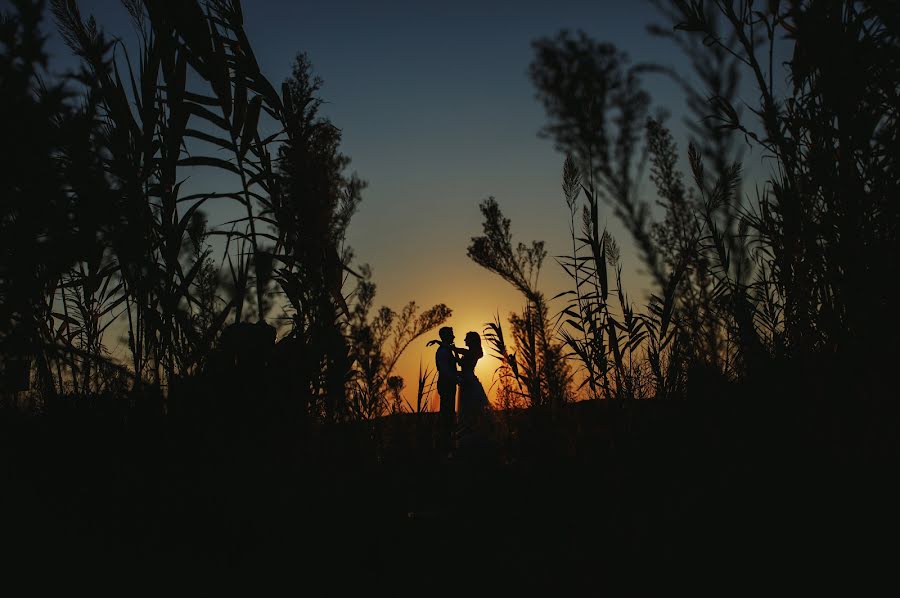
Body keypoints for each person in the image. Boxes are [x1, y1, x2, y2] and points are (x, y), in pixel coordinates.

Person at [454, 331, 490, 448]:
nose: (464, 341)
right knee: (467, 409)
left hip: (468, 380)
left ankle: (473, 436)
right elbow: (461, 362)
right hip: (466, 379)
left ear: (471, 340)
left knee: (470, 407)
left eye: (466, 339)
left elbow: (464, 353)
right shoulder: (470, 353)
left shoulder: (474, 353)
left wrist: (452, 348)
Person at [432, 326, 459, 455]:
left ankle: (448, 442)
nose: (453, 337)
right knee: (447, 412)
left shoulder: (447, 350)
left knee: (449, 412)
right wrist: (457, 378)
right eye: (451, 334)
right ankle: (445, 445)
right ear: (446, 336)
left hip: (450, 384)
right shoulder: (442, 352)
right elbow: (444, 370)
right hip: (446, 384)